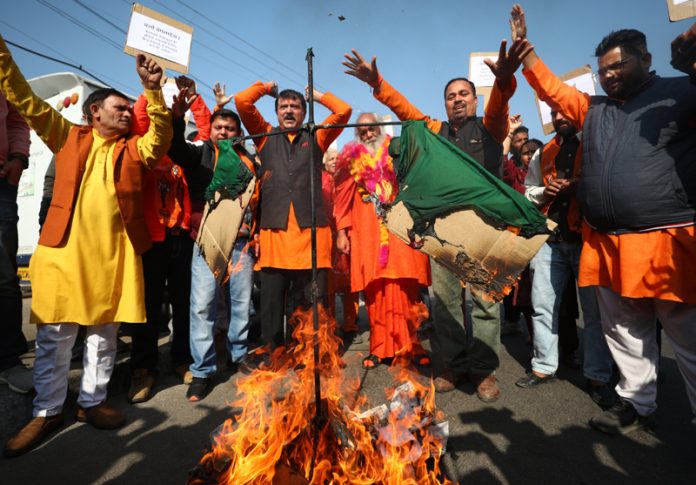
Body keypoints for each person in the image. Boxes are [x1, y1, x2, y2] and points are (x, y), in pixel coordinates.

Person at [512, 4, 696, 433]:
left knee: (687, 337)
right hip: (607, 240)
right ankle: (637, 402)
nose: (609, 75)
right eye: (603, 70)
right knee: (624, 332)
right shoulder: (592, 109)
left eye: (618, 65)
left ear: (646, 60)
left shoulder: (681, 93)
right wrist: (526, 56)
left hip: (666, 238)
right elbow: (553, 90)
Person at [0, 34, 172, 457]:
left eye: (131, 111)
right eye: (121, 109)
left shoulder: (135, 149)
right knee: (56, 336)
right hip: (63, 254)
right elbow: (24, 99)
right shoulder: (66, 134)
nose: (129, 116)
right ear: (94, 112)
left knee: (103, 336)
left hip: (114, 257)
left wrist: (152, 90)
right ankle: (47, 411)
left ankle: (91, 403)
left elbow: (161, 138)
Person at [343, 37, 532, 401]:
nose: (458, 99)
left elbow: (500, 101)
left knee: (485, 304)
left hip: (484, 230)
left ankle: (483, 371)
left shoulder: (491, 127)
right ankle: (455, 365)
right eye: (451, 96)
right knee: (445, 305)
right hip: (442, 231)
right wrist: (376, 85)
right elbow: (405, 110)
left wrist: (505, 79)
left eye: (464, 94)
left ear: (474, 100)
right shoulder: (435, 132)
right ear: (444, 104)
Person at [234, 82, 351, 353]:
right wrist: (265, 88)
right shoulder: (264, 136)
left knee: (309, 303)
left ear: (303, 112)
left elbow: (343, 111)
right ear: (275, 113)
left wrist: (319, 95)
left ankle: (307, 355)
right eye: (283, 106)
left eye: (295, 107)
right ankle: (275, 355)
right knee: (272, 303)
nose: (289, 111)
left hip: (310, 237)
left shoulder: (317, 137)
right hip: (274, 237)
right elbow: (242, 102)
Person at [518, 109, 615, 407]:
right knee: (542, 306)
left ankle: (598, 376)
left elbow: (609, 180)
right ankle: (544, 367)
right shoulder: (545, 150)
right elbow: (528, 190)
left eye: (563, 110)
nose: (558, 116)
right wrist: (545, 192)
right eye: (553, 112)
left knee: (595, 314)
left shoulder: (596, 141)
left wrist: (577, 185)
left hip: (588, 239)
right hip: (550, 241)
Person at [167, 89, 256, 402]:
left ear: (238, 133)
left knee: (241, 306)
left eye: (230, 129)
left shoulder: (249, 160)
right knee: (203, 306)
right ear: (212, 130)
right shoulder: (200, 153)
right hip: (206, 244)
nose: (224, 132)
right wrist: (177, 117)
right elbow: (176, 148)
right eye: (219, 127)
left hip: (241, 245)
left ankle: (240, 357)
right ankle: (203, 371)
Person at [126, 75, 211, 403]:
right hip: (151, 239)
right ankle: (142, 369)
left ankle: (180, 360)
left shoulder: (186, 156)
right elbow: (140, 117)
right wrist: (152, 87)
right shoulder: (144, 147)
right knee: (146, 307)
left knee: (183, 303)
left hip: (181, 238)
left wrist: (192, 94)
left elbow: (205, 130)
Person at [334, 112, 431, 369]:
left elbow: (417, 181)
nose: (368, 134)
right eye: (362, 131)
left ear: (380, 127)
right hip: (366, 230)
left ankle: (412, 345)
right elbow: (341, 197)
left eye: (371, 128)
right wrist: (342, 231)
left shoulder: (395, 148)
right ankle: (379, 348)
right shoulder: (351, 157)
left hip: (399, 228)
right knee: (374, 291)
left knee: (406, 288)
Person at [0, 90, 32, 395]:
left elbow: (17, 119)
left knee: (4, 277)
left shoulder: (2, 66)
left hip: (1, 182)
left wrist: (18, 158)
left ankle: (8, 359)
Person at [321, 148, 360, 342]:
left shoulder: (349, 179)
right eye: (331, 159)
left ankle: (350, 324)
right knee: (328, 285)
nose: (335, 161)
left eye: (338, 159)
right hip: (327, 237)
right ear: (325, 162)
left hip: (348, 235)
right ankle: (330, 324)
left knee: (350, 284)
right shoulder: (320, 179)